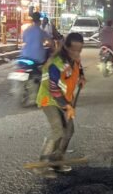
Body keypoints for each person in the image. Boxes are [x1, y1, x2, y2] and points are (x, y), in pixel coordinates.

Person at [35, 32, 85, 177]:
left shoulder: (74, 58)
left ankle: (56, 161)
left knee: (69, 130)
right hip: (49, 99)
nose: (77, 53)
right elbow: (54, 89)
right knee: (58, 130)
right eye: (74, 50)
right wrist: (67, 106)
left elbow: (79, 67)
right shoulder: (56, 63)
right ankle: (41, 166)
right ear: (66, 47)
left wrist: (82, 77)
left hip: (64, 98)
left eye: (79, 50)